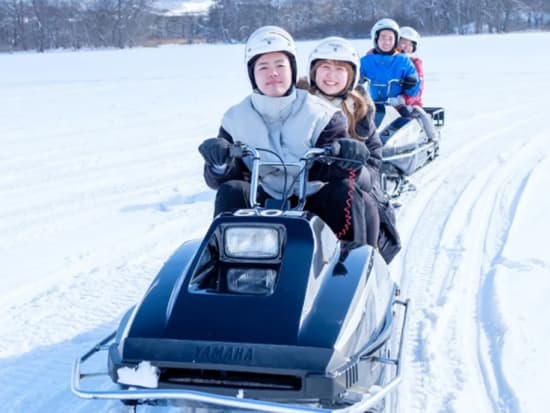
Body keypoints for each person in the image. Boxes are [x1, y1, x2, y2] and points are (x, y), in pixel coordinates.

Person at [198, 26, 369, 245]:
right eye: (263, 67)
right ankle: (225, 265)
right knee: (231, 190)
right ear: (252, 74)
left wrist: (346, 156)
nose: (273, 73)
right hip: (259, 202)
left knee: (345, 191)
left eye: (280, 64)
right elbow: (226, 176)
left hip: (312, 201)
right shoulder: (235, 118)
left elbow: (332, 168)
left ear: (292, 69)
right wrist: (218, 162)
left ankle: (347, 264)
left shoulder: (323, 114)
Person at [299, 36, 401, 260]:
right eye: (325, 67)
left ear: (351, 76)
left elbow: (374, 163)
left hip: (349, 190)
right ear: (313, 70)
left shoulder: (360, 112)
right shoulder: (297, 103)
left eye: (340, 69)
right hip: (298, 188)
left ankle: (360, 268)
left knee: (360, 203)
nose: (331, 75)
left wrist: (355, 168)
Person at [359, 18, 420, 108]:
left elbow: (414, 91)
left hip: (397, 107)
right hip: (371, 106)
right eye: (383, 37)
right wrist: (357, 80)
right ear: (376, 39)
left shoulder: (404, 61)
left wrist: (411, 84)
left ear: (395, 41)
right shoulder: (365, 61)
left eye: (390, 39)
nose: (386, 42)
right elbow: (351, 81)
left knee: (409, 119)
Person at [398, 26, 438, 142]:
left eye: (410, 44)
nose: (406, 47)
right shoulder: (391, 60)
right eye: (403, 43)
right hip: (389, 100)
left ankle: (432, 137)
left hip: (410, 102)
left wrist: (406, 99)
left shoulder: (415, 63)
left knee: (420, 114)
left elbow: (419, 88)